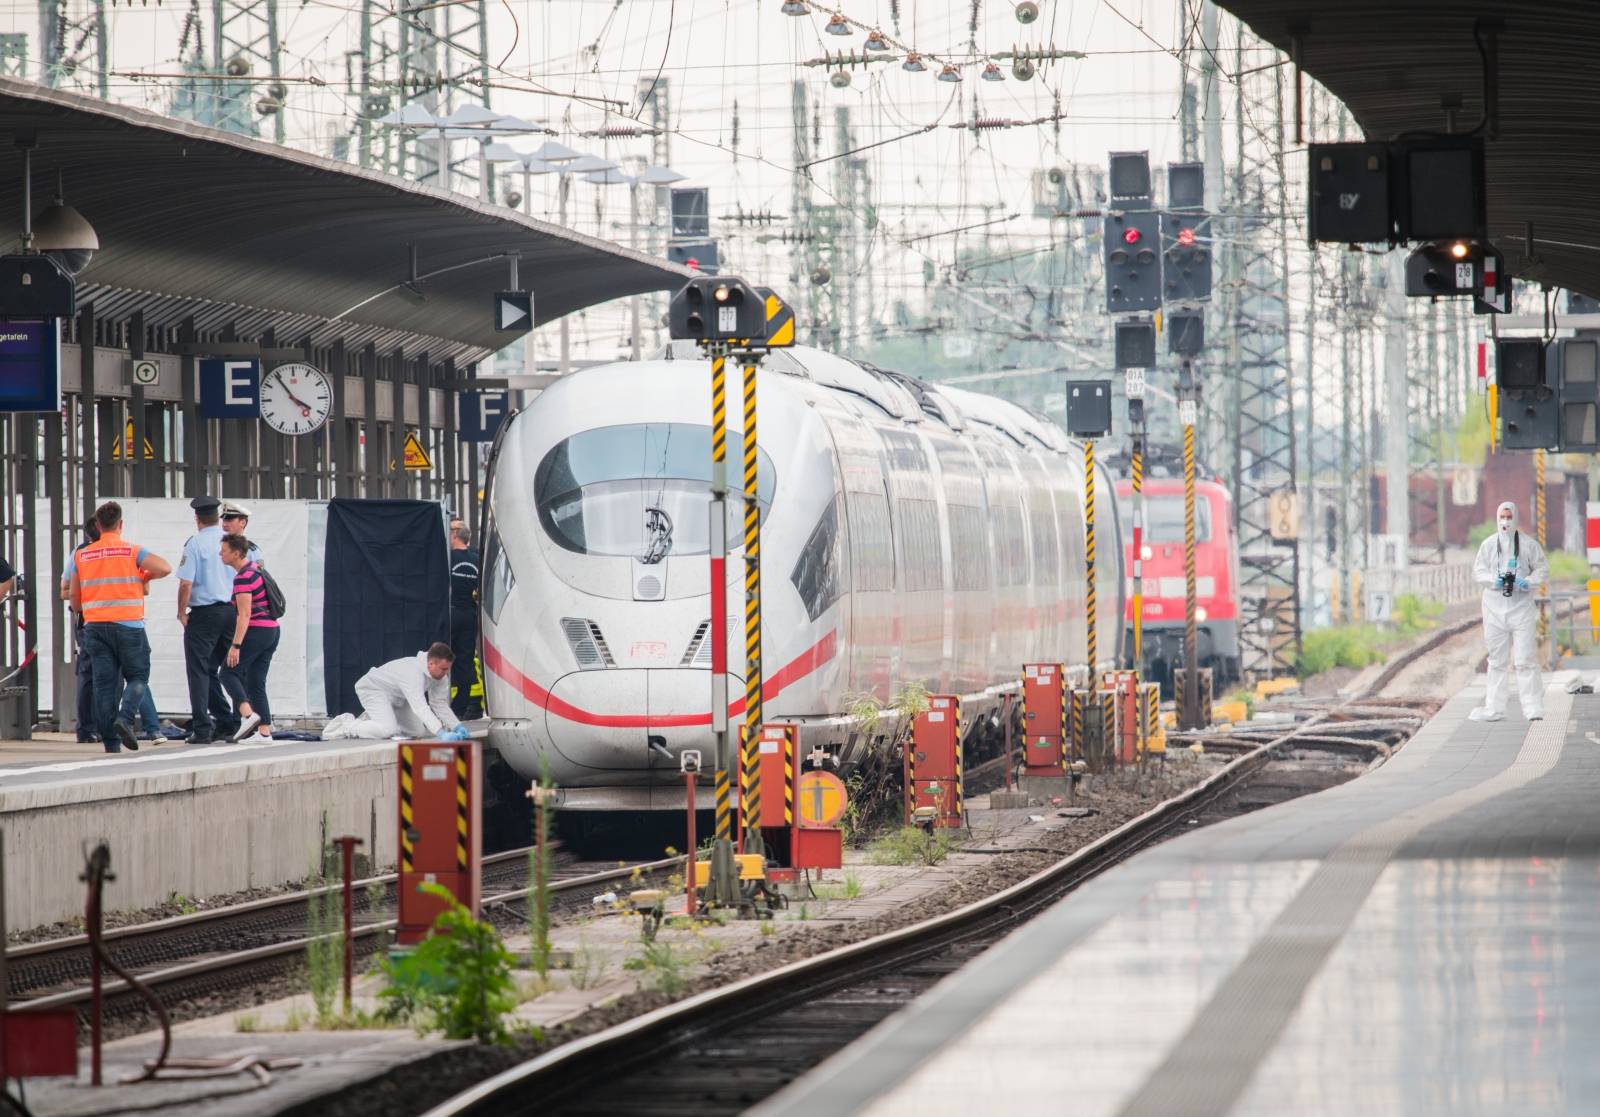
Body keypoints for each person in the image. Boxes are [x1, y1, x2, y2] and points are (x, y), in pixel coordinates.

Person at [69, 501, 172, 752]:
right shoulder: (131, 551)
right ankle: (125, 719)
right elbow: (165, 568)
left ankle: (111, 745)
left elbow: (74, 599)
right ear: (120, 525)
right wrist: (143, 576)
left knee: (103, 686)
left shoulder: (81, 555)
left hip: (94, 627)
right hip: (128, 626)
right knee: (137, 676)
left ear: (98, 525)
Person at [1469, 500, 1547, 723]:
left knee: (1525, 659)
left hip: (1521, 608)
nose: (1505, 521)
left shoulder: (1528, 545)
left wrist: (1528, 581)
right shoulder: (1488, 545)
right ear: (1497, 518)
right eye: (1502, 517)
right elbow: (1478, 571)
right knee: (1497, 661)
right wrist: (1495, 580)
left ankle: (1533, 707)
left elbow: (1542, 568)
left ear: (1515, 518)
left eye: (1509, 517)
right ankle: (1494, 708)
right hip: (1494, 609)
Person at [176, 495, 239, 744]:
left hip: (203, 615)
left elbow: (186, 583)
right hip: (230, 612)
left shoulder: (195, 544)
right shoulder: (232, 542)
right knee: (227, 669)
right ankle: (230, 721)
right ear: (218, 517)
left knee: (199, 671)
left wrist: (181, 612)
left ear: (197, 519)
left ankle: (202, 728)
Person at [322, 642, 466, 740]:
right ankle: (347, 726)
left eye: (448, 669)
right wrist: (441, 732)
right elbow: (420, 708)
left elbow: (439, 703)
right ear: (431, 663)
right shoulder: (413, 672)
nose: (446, 673)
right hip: (373, 689)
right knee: (388, 730)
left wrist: (457, 726)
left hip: (398, 698)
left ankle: (377, 720)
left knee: (418, 732)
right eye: (444, 669)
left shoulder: (440, 676)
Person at [218, 533, 278, 743]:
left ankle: (248, 715)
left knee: (227, 673)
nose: (220, 554)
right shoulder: (256, 569)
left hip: (257, 631)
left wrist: (235, 645)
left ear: (236, 553)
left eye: (224, 551)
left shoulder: (243, 577)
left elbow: (244, 614)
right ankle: (264, 732)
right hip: (272, 630)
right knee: (255, 681)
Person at [448, 521, 482, 720]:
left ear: (454, 535)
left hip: (451, 614)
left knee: (443, 657)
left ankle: (444, 706)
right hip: (470, 614)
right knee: (466, 660)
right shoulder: (477, 559)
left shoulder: (448, 558)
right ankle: (462, 708)